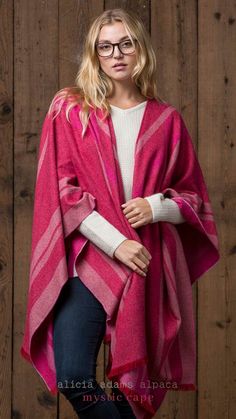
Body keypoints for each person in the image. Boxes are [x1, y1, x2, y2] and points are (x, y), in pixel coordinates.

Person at [20, 8, 220, 419]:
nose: (116, 53)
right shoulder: (71, 110)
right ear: (95, 54)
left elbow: (195, 200)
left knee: (134, 394)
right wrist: (117, 243)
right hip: (90, 261)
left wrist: (158, 206)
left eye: (125, 43)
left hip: (147, 266)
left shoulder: (166, 121)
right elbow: (63, 193)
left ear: (140, 49)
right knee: (75, 374)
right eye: (105, 46)